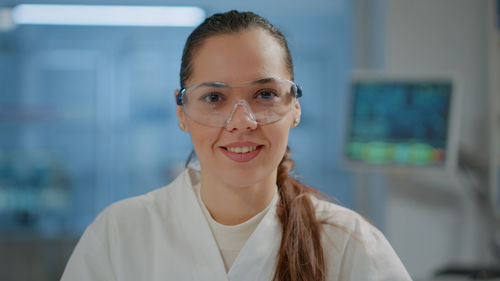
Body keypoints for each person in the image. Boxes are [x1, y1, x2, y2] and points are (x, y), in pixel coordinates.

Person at [61, 10, 412, 281]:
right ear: (182, 112)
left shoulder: (349, 243)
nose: (242, 121)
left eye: (264, 95)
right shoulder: (120, 234)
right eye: (214, 97)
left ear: (295, 108)